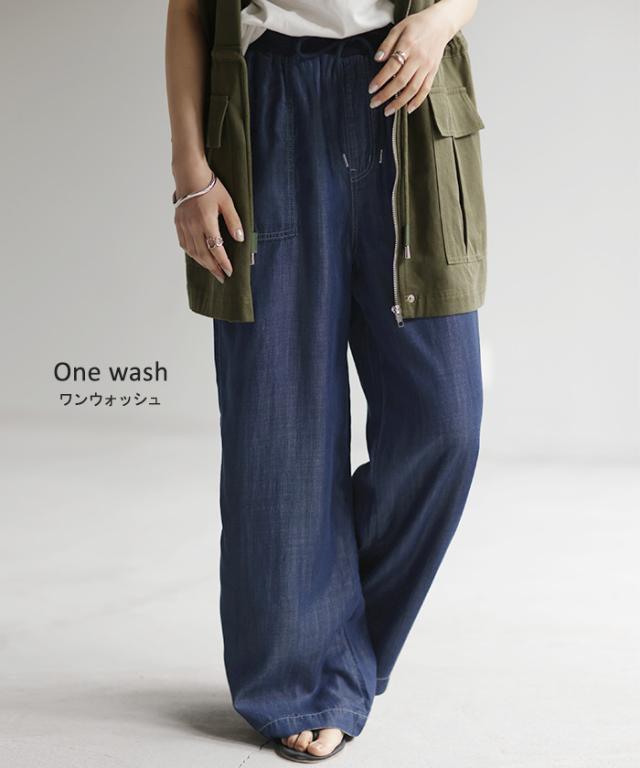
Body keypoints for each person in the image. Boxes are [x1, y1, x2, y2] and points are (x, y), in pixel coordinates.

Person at [165, 0, 486, 761]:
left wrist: (440, 22)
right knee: (279, 434)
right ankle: (302, 678)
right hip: (269, 104)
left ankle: (320, 646)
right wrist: (189, 173)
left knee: (445, 422)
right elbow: (187, 11)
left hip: (406, 98)